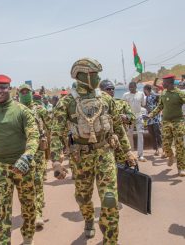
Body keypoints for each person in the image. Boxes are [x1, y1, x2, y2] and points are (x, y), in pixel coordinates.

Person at [51, 58, 136, 244]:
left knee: (110, 198)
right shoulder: (66, 103)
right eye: (94, 74)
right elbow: (56, 134)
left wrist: (127, 152)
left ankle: (110, 239)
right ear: (82, 76)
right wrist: (56, 161)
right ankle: (89, 219)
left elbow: (118, 128)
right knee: (83, 197)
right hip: (80, 158)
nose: (98, 78)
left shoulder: (106, 99)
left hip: (105, 153)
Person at [0, 74, 39, 245]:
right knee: (0, 210)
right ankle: (1, 241)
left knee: (28, 205)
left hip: (23, 166)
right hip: (0, 168)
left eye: (3, 88)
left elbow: (33, 136)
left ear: (9, 89)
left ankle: (28, 236)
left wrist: (27, 156)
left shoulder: (22, 111)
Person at [18, 84, 50, 229]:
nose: (25, 94)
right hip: (23, 152)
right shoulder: (16, 110)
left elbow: (51, 126)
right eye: (22, 92)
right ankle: (31, 209)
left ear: (31, 93)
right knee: (27, 183)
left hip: (38, 150)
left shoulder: (40, 109)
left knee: (37, 179)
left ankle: (38, 213)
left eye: (27, 92)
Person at [146, 74, 185, 177]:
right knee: (165, 144)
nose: (162, 84)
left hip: (178, 122)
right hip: (166, 122)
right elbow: (160, 107)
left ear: (170, 83)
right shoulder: (163, 93)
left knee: (180, 145)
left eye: (164, 82)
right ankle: (171, 155)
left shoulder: (179, 93)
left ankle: (181, 168)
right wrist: (150, 115)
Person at [99, 80, 135, 164]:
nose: (111, 91)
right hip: (104, 142)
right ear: (101, 91)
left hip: (120, 139)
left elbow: (132, 116)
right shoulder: (97, 106)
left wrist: (126, 117)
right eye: (108, 89)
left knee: (123, 165)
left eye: (112, 88)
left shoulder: (121, 103)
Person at [122, 81, 147, 162]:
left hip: (139, 116)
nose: (131, 88)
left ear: (136, 87)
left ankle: (141, 155)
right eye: (130, 87)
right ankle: (131, 154)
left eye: (132, 87)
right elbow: (123, 106)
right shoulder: (125, 95)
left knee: (140, 134)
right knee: (129, 135)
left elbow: (143, 104)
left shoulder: (141, 94)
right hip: (129, 117)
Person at [143, 84, 162, 156]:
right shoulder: (147, 97)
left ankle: (163, 149)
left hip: (156, 118)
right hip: (149, 118)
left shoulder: (155, 95)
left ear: (147, 89)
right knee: (152, 134)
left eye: (144, 90)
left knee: (158, 134)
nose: (144, 91)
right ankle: (156, 150)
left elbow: (160, 103)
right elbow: (147, 105)